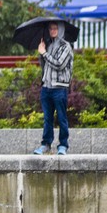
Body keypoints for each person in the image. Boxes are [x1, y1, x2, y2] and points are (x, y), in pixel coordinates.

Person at [33, 21, 73, 156]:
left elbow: (59, 64)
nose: (53, 30)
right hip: (46, 87)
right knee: (47, 119)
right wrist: (41, 53)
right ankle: (45, 144)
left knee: (62, 118)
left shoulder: (66, 46)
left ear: (60, 29)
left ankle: (63, 145)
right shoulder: (48, 45)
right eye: (50, 28)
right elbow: (45, 67)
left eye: (55, 28)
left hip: (59, 87)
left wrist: (44, 53)